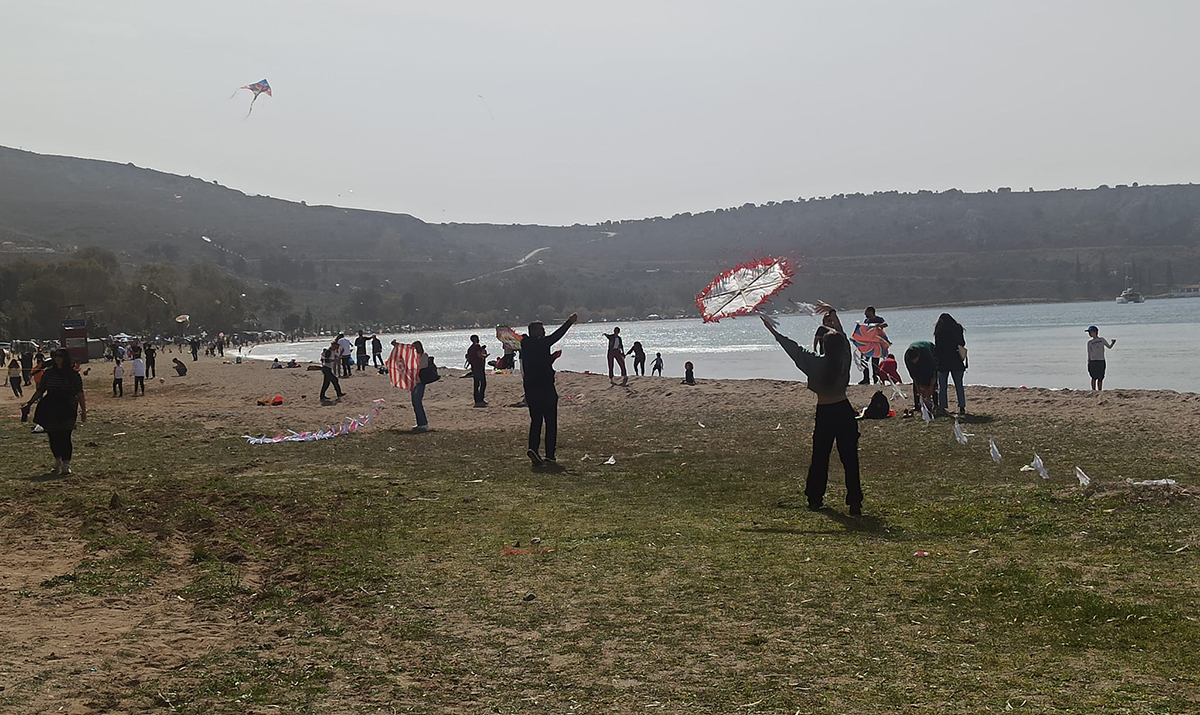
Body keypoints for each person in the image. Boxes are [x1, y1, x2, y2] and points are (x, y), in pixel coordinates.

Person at [761, 313, 862, 516]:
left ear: (823, 346)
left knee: (820, 457)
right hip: (844, 410)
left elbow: (793, 349)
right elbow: (843, 340)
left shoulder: (815, 363)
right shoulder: (843, 359)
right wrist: (834, 318)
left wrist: (773, 331)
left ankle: (815, 499)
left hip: (825, 412)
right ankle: (855, 502)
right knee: (850, 458)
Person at [521, 313, 578, 466]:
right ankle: (550, 455)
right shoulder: (542, 343)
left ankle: (533, 448)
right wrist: (569, 322)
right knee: (551, 422)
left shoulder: (524, 345)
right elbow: (556, 336)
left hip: (530, 389)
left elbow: (536, 362)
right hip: (545, 388)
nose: (544, 331)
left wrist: (551, 358)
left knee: (536, 421)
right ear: (535, 331)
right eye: (542, 329)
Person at [23, 348, 87, 475]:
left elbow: (80, 393)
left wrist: (84, 410)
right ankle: (57, 461)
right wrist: (29, 402)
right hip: (51, 405)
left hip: (68, 405)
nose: (58, 358)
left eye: (61, 356)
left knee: (65, 435)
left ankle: (66, 464)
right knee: (53, 435)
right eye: (56, 356)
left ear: (66, 358)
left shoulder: (73, 374)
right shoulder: (48, 373)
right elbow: (41, 390)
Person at [933, 313, 967, 414]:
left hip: (943, 361)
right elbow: (962, 343)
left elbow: (938, 347)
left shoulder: (940, 330)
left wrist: (936, 359)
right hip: (956, 359)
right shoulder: (958, 328)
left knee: (942, 386)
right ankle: (962, 407)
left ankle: (943, 406)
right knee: (959, 385)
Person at [903, 341, 937, 414]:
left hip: (930, 351)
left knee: (930, 379)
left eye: (915, 359)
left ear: (918, 355)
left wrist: (931, 385)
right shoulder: (908, 358)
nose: (914, 361)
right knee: (917, 380)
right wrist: (918, 389)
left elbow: (934, 370)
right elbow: (914, 376)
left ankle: (936, 403)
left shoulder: (926, 355)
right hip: (917, 361)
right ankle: (917, 405)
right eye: (913, 360)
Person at [860, 307, 886, 384]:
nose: (865, 314)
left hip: (876, 344)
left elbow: (885, 324)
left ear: (871, 312)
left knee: (875, 363)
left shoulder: (879, 319)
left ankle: (876, 378)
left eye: (866, 312)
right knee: (864, 361)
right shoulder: (866, 321)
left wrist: (877, 325)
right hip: (867, 344)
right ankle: (866, 379)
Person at [1086, 325, 1116, 390]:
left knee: (1100, 377)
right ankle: (1093, 390)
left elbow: (1109, 347)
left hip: (1101, 360)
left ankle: (1100, 390)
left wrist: (1113, 343)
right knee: (1093, 377)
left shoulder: (1101, 340)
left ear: (1095, 332)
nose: (1089, 334)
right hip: (1093, 361)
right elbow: (1089, 352)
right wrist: (1089, 361)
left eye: (1090, 332)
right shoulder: (1089, 342)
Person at [411, 341, 432, 431]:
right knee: (415, 403)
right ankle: (420, 423)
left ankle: (423, 423)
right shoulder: (414, 356)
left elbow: (422, 367)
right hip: (415, 382)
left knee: (417, 402)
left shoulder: (424, 356)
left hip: (420, 381)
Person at [466, 335, 488, 407]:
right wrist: (484, 356)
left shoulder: (470, 348)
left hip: (474, 367)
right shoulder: (477, 346)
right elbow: (479, 355)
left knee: (476, 383)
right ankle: (480, 398)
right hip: (479, 366)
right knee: (483, 383)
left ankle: (476, 399)